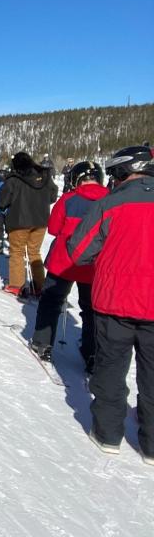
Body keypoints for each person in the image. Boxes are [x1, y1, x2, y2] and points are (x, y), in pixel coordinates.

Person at [67, 146, 154, 464]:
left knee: (111, 369)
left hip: (115, 300)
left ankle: (108, 434)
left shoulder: (109, 203)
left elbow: (79, 250)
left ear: (120, 174)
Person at [30, 161, 106, 369]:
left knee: (52, 301)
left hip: (65, 260)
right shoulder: (111, 200)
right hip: (94, 263)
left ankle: (42, 343)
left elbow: (54, 228)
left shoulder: (69, 199)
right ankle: (92, 352)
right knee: (91, 309)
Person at [0, 152, 58, 298]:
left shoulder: (13, 179)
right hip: (41, 220)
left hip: (19, 221)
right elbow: (53, 195)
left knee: (17, 252)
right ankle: (39, 285)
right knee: (34, 252)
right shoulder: (44, 176)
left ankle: (17, 285)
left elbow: (2, 202)